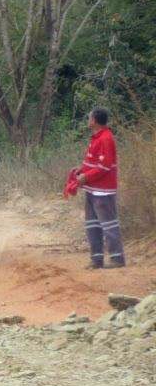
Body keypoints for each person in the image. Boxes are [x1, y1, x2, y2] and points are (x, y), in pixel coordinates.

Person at [69, 108, 124, 269]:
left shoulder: (106, 138)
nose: (88, 120)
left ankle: (117, 258)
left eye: (89, 117)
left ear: (94, 120)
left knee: (108, 224)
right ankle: (96, 259)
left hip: (103, 190)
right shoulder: (96, 138)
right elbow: (93, 163)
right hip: (92, 189)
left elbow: (104, 165)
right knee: (92, 224)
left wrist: (85, 177)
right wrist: (81, 171)